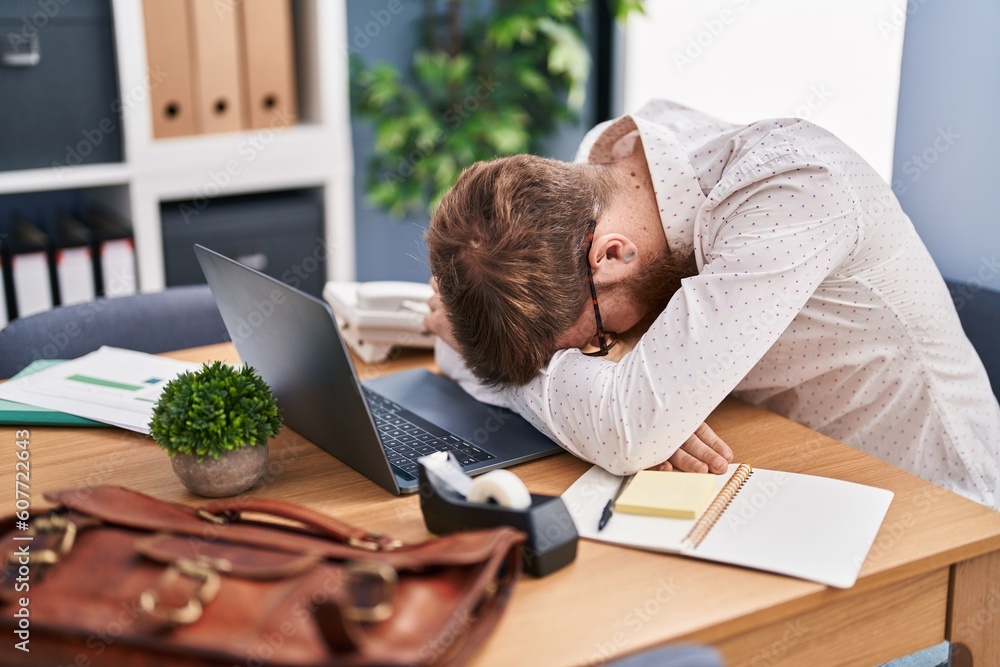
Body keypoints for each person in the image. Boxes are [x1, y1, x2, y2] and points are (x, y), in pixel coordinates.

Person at [424, 99, 1000, 510]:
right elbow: (624, 414)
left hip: (943, 517)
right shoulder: (611, 194)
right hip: (780, 476)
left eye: (594, 344)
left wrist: (559, 387)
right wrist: (589, 380)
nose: (604, 351)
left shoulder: (793, 189)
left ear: (612, 256)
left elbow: (630, 429)